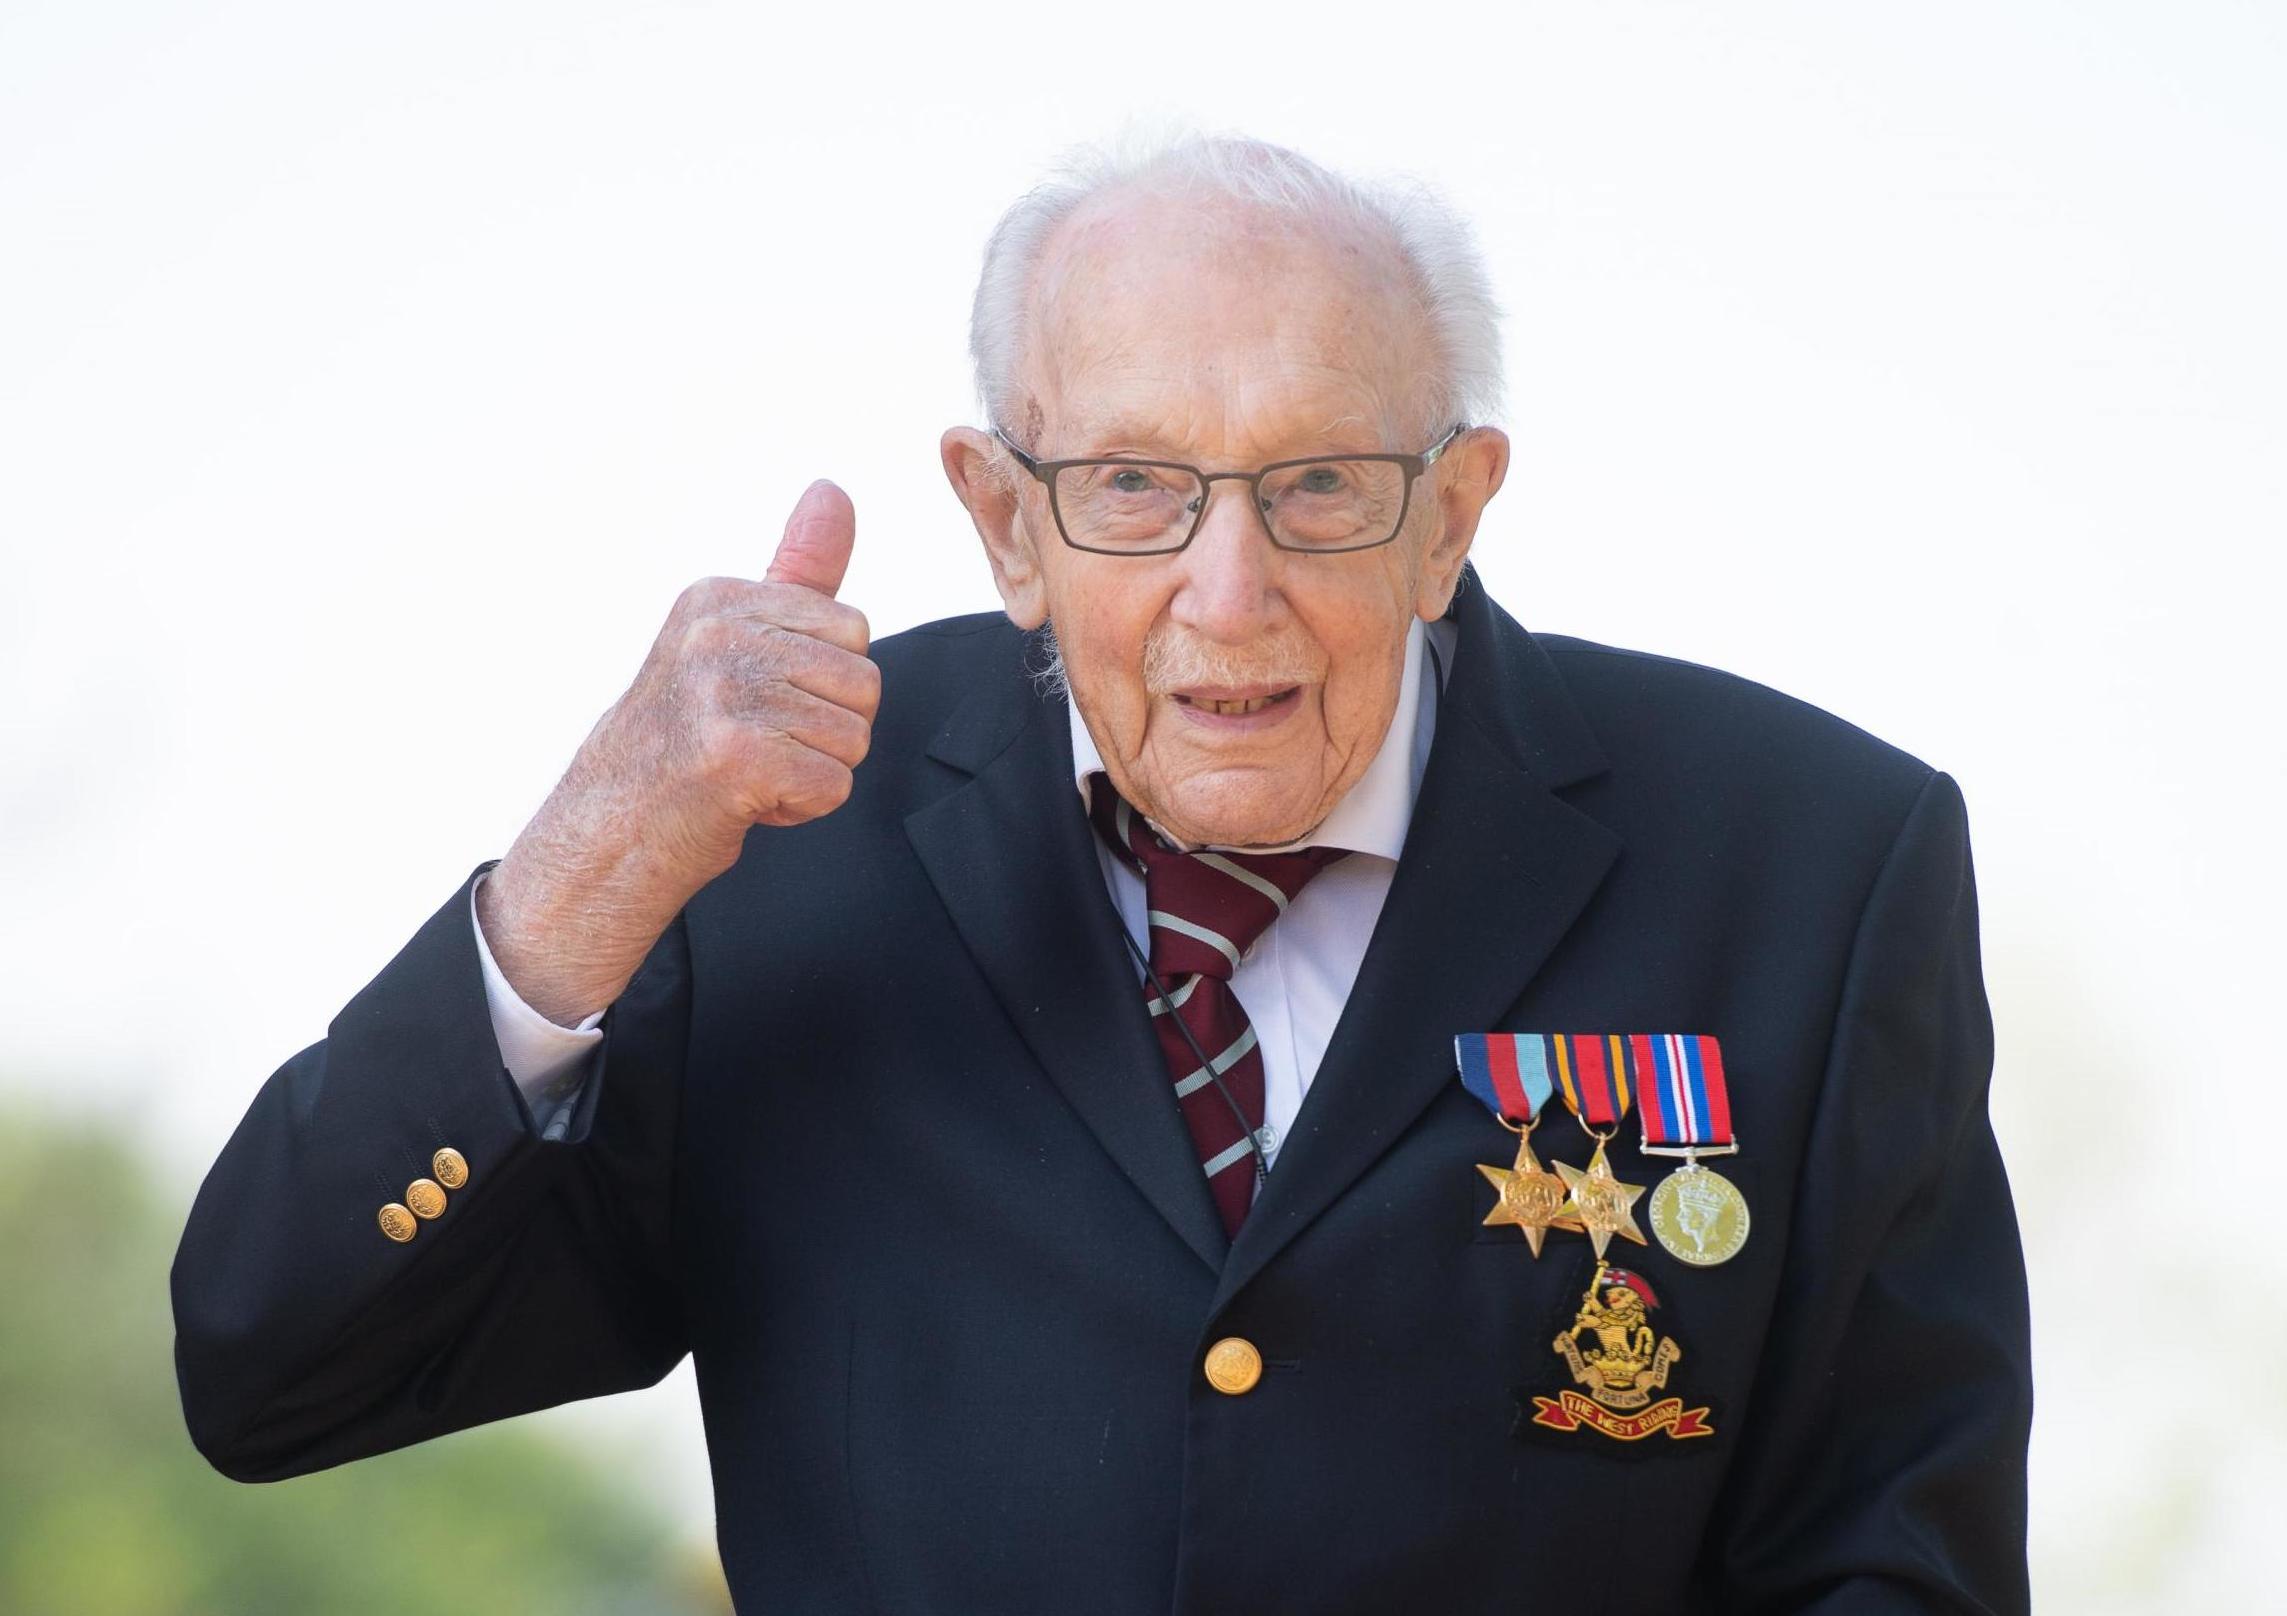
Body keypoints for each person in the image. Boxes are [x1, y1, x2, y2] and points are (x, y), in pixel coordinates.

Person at [172, 132, 2031, 1613]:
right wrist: (587, 870)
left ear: (1452, 513)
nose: (1230, 593)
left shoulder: (1810, 867)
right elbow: (273, 1366)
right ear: (1002, 518)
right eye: (1134, 487)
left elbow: (1897, 1561)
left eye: (1320, 485)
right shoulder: (773, 832)